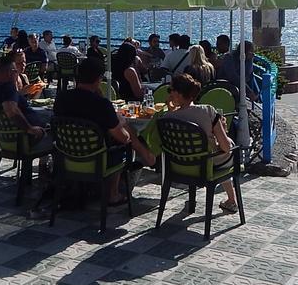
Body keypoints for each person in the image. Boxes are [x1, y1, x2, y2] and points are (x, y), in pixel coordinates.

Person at [54, 57, 155, 202]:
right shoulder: (101, 105)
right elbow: (123, 138)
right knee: (123, 143)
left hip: (67, 155)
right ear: (99, 79)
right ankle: (112, 194)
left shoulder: (62, 98)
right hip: (97, 159)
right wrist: (123, 124)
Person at [164, 73, 240, 213]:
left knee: (213, 151)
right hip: (207, 164)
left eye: (170, 90)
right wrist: (223, 131)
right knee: (226, 147)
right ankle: (231, 199)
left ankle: (231, 199)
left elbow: (177, 115)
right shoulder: (208, 111)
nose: (169, 93)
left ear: (178, 93)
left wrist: (170, 107)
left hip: (180, 166)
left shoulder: (167, 117)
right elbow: (225, 148)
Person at [0, 53, 53, 145]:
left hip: (7, 137)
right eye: (15, 71)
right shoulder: (8, 87)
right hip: (27, 138)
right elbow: (11, 110)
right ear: (9, 73)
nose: (17, 74)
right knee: (57, 122)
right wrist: (30, 129)